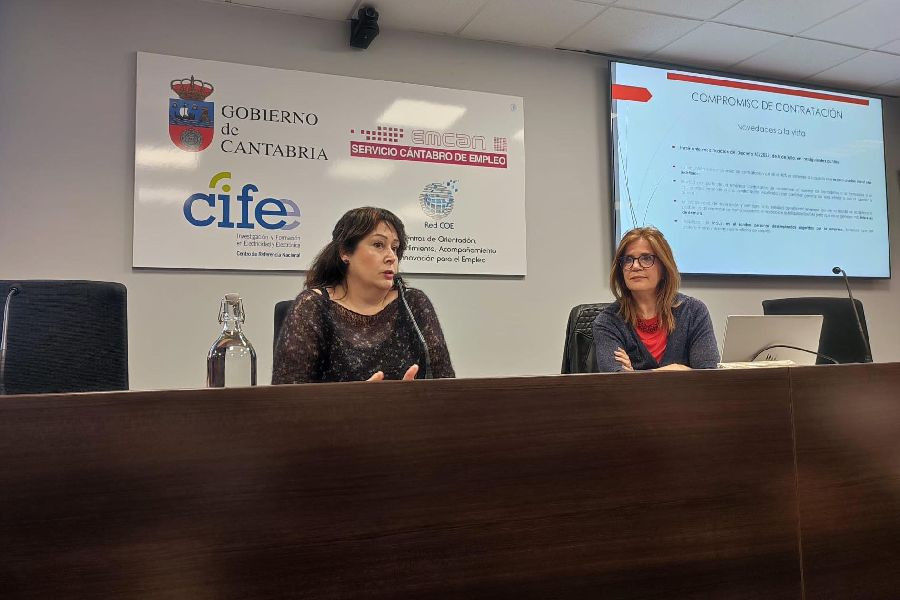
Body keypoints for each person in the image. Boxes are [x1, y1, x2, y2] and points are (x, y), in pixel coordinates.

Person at [272, 207, 454, 384]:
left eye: (395, 248)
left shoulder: (413, 304)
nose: (391, 257)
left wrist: (414, 396)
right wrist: (357, 399)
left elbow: (447, 386)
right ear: (345, 252)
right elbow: (287, 397)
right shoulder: (313, 306)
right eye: (378, 245)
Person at [592, 227, 719, 372]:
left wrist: (634, 376)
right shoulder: (608, 321)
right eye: (628, 260)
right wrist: (676, 370)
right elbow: (616, 382)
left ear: (664, 266)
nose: (635, 266)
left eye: (646, 258)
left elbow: (709, 375)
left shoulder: (693, 312)